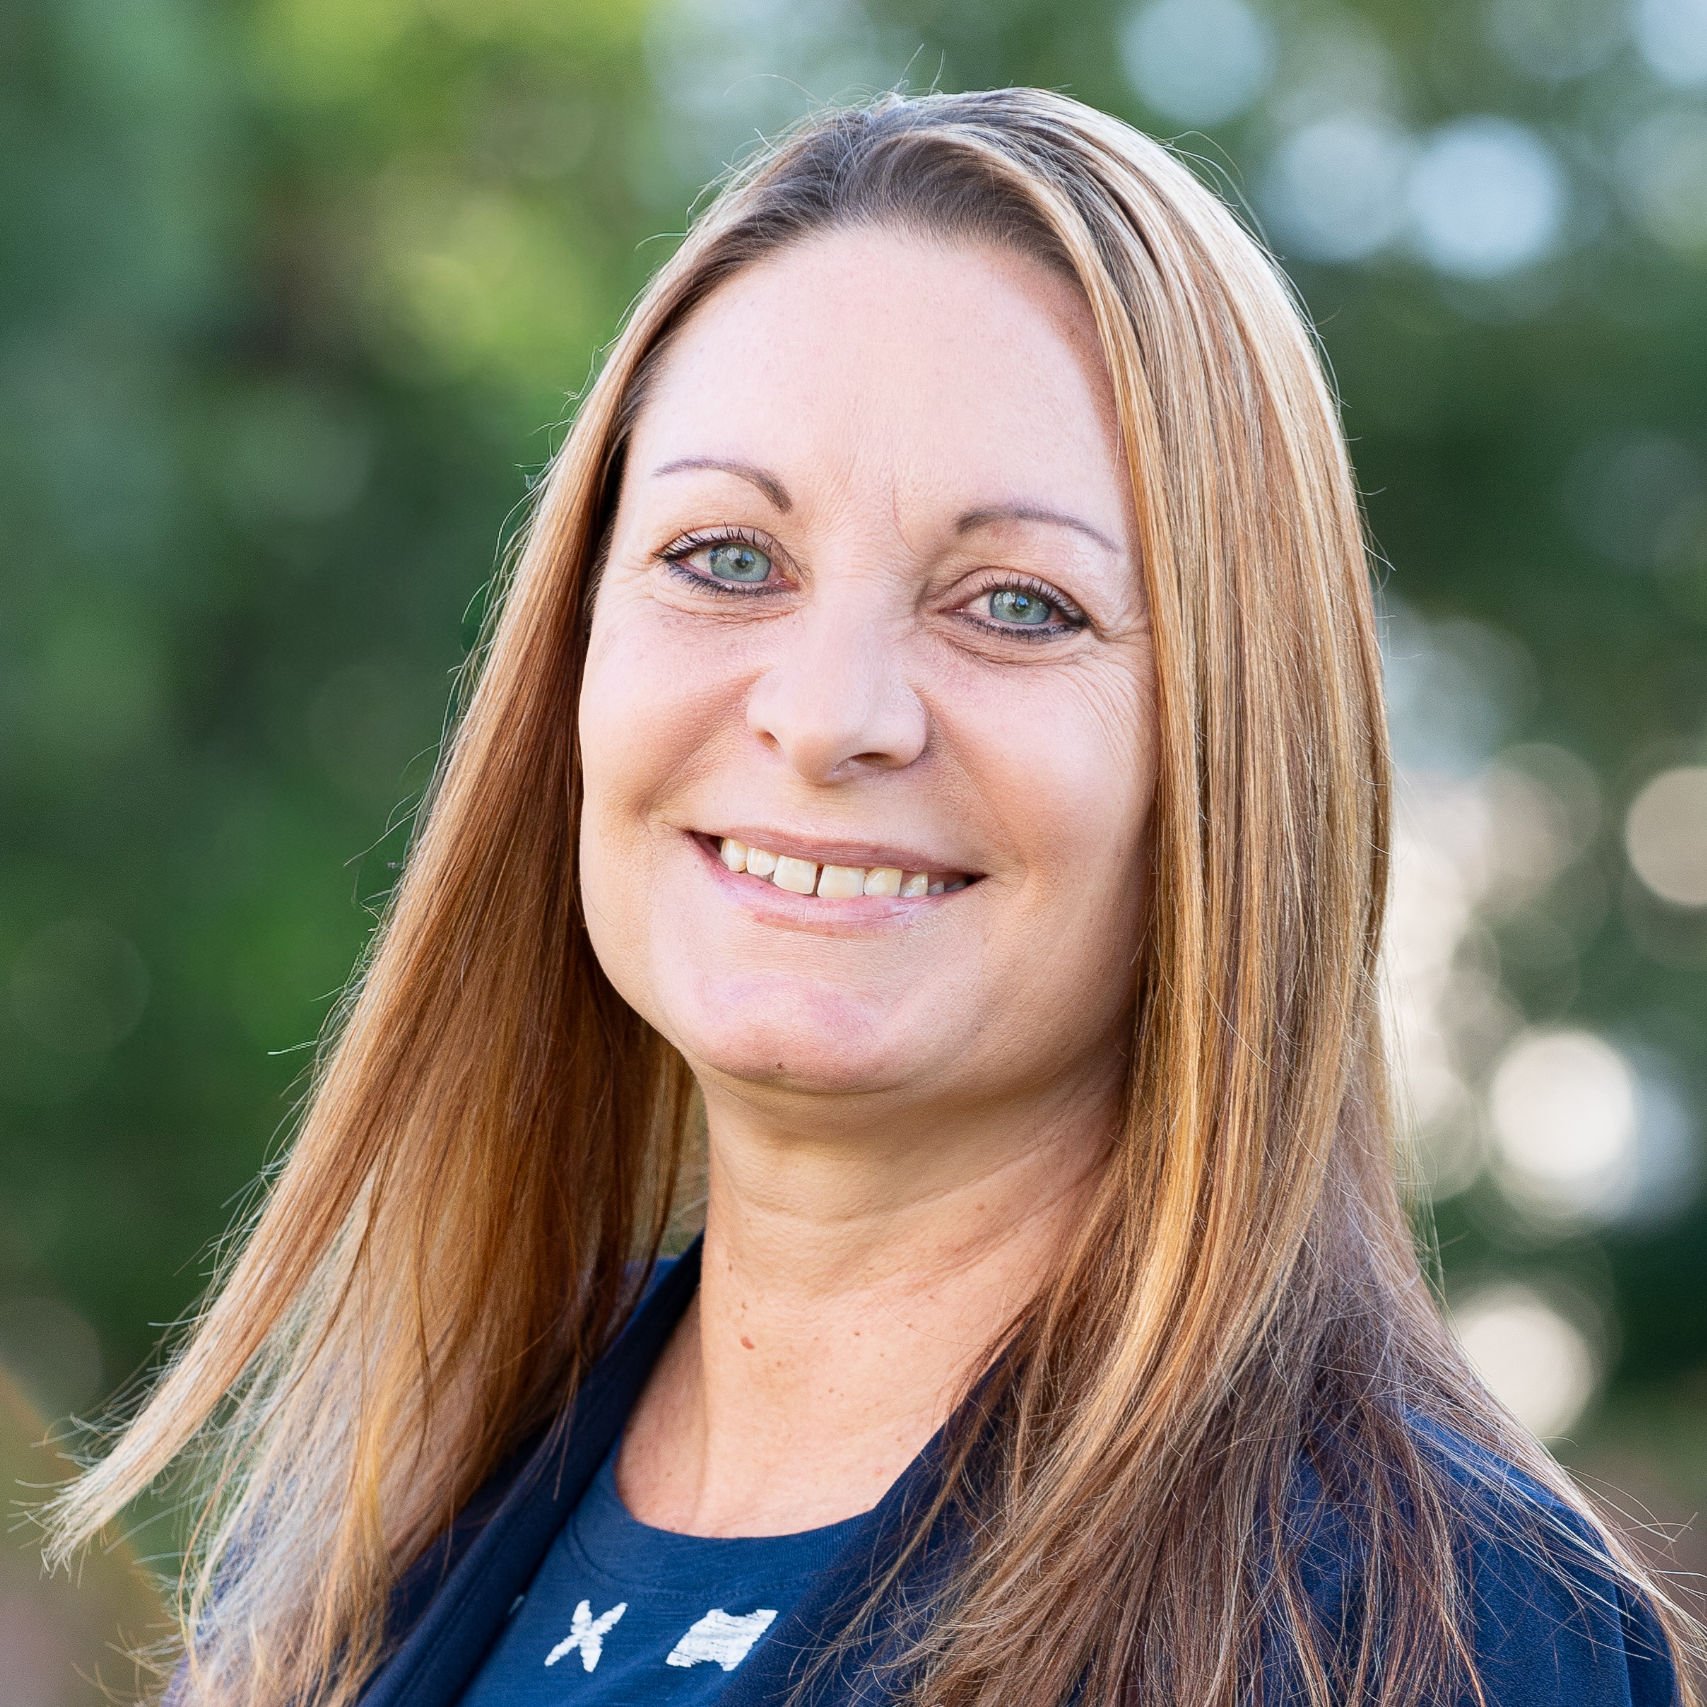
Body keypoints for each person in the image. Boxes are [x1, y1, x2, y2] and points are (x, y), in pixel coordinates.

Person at [41, 85, 1701, 1707]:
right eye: (727, 560)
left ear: (1236, 757)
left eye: (1018, 604)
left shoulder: (1423, 1636)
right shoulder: (378, 1518)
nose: (830, 714)